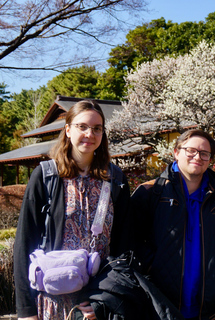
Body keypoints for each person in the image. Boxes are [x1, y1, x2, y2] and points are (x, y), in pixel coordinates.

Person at [14, 100, 131, 320]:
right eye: (82, 126)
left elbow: (124, 244)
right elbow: (24, 243)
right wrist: (26, 311)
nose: (90, 133)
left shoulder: (114, 179)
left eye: (97, 128)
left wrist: (106, 299)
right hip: (52, 298)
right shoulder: (46, 176)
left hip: (98, 301)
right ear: (67, 129)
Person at [131, 129, 215, 320]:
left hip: (206, 307)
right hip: (158, 305)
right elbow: (130, 242)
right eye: (191, 150)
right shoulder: (150, 192)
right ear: (176, 152)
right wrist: (150, 270)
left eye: (204, 153)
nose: (197, 156)